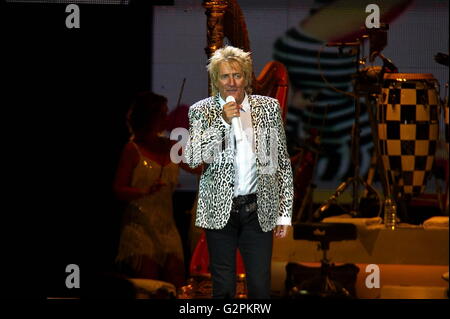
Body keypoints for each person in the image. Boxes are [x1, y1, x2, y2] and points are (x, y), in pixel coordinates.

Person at [185, 46, 294, 299]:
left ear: (246, 77)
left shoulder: (268, 108)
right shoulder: (202, 110)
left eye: (237, 75)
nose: (231, 82)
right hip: (219, 210)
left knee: (259, 284)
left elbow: (281, 163)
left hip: (258, 209)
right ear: (215, 80)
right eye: (225, 76)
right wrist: (222, 123)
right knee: (222, 285)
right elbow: (192, 158)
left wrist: (284, 213)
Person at [114, 91, 185, 289]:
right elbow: (118, 189)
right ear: (148, 117)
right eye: (162, 113)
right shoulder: (132, 149)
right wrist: (144, 192)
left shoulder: (172, 146)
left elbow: (198, 167)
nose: (166, 117)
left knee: (176, 285)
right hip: (139, 228)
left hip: (167, 228)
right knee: (151, 286)